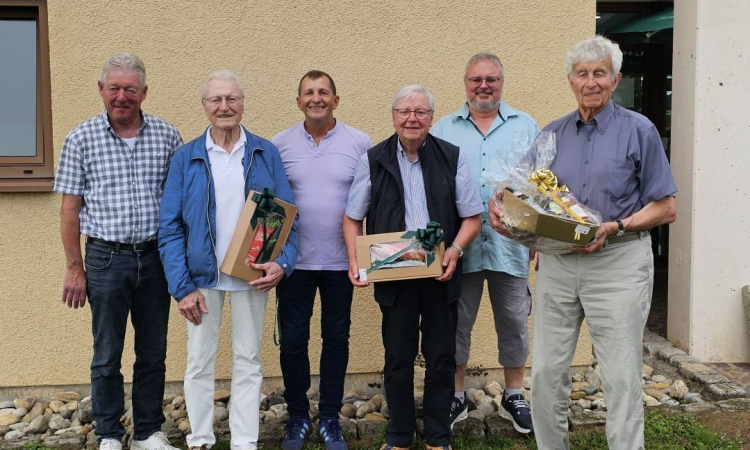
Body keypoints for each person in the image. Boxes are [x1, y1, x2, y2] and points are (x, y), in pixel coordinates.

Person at [489, 36, 677, 450]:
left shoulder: (639, 130)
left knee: (621, 377)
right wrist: (503, 209)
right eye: (582, 74)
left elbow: (666, 208)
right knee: (545, 374)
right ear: (570, 81)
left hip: (618, 262)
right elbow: (520, 196)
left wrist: (616, 226)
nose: (591, 82)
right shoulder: (551, 135)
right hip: (557, 266)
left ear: (615, 79)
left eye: (599, 73)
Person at [158, 70, 298, 450]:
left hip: (252, 274)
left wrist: (282, 263)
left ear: (242, 103)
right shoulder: (187, 157)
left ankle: (244, 442)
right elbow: (169, 226)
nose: (224, 106)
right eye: (216, 100)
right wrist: (182, 288)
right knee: (199, 361)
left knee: (249, 359)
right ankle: (201, 439)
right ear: (204, 106)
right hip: (201, 279)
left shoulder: (264, 152)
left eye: (232, 98)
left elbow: (287, 214)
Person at [54, 52, 183, 450]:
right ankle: (109, 433)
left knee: (153, 352)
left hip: (155, 258)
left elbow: (178, 201)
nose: (122, 96)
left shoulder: (167, 135)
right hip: (105, 259)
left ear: (144, 92)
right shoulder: (80, 138)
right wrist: (74, 268)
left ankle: (147, 432)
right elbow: (70, 209)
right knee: (107, 353)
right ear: (101, 90)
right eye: (114, 88)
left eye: (130, 89)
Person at [343, 84, 482, 450]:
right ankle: (399, 436)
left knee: (441, 358)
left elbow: (472, 218)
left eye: (420, 112)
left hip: (441, 275)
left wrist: (454, 250)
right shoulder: (373, 160)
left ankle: (438, 437)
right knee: (398, 358)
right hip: (394, 277)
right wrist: (356, 260)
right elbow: (352, 218)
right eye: (404, 111)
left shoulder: (452, 157)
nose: (412, 118)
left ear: (431, 118)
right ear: (393, 117)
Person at [431, 52, 538, 434]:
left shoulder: (525, 125)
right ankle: (456, 394)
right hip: (460, 248)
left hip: (512, 245)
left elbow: (541, 185)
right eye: (476, 79)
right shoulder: (444, 128)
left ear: (501, 83)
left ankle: (514, 393)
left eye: (491, 79)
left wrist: (538, 237)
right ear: (465, 83)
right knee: (456, 323)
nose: (483, 86)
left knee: (514, 321)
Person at [272, 70, 372, 450]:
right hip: (293, 263)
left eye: (324, 92)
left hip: (341, 262)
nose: (316, 98)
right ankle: (298, 416)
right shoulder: (280, 144)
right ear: (298, 101)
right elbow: (270, 204)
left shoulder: (359, 142)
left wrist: (368, 257)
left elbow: (372, 200)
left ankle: (330, 417)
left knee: (336, 339)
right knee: (293, 341)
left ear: (336, 100)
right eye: (309, 93)